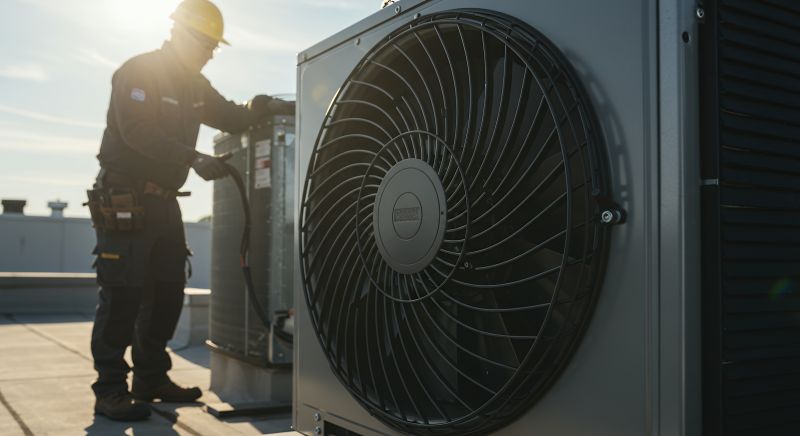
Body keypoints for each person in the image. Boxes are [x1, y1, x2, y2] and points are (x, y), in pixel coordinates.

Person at [87, 0, 291, 421]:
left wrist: (264, 107)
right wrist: (193, 158)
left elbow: (231, 117)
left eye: (214, 46)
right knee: (123, 295)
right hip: (126, 200)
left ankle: (149, 378)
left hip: (164, 204)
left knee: (166, 293)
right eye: (204, 42)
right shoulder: (138, 71)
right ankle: (109, 390)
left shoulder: (196, 86)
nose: (209, 52)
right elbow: (137, 130)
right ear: (178, 32)